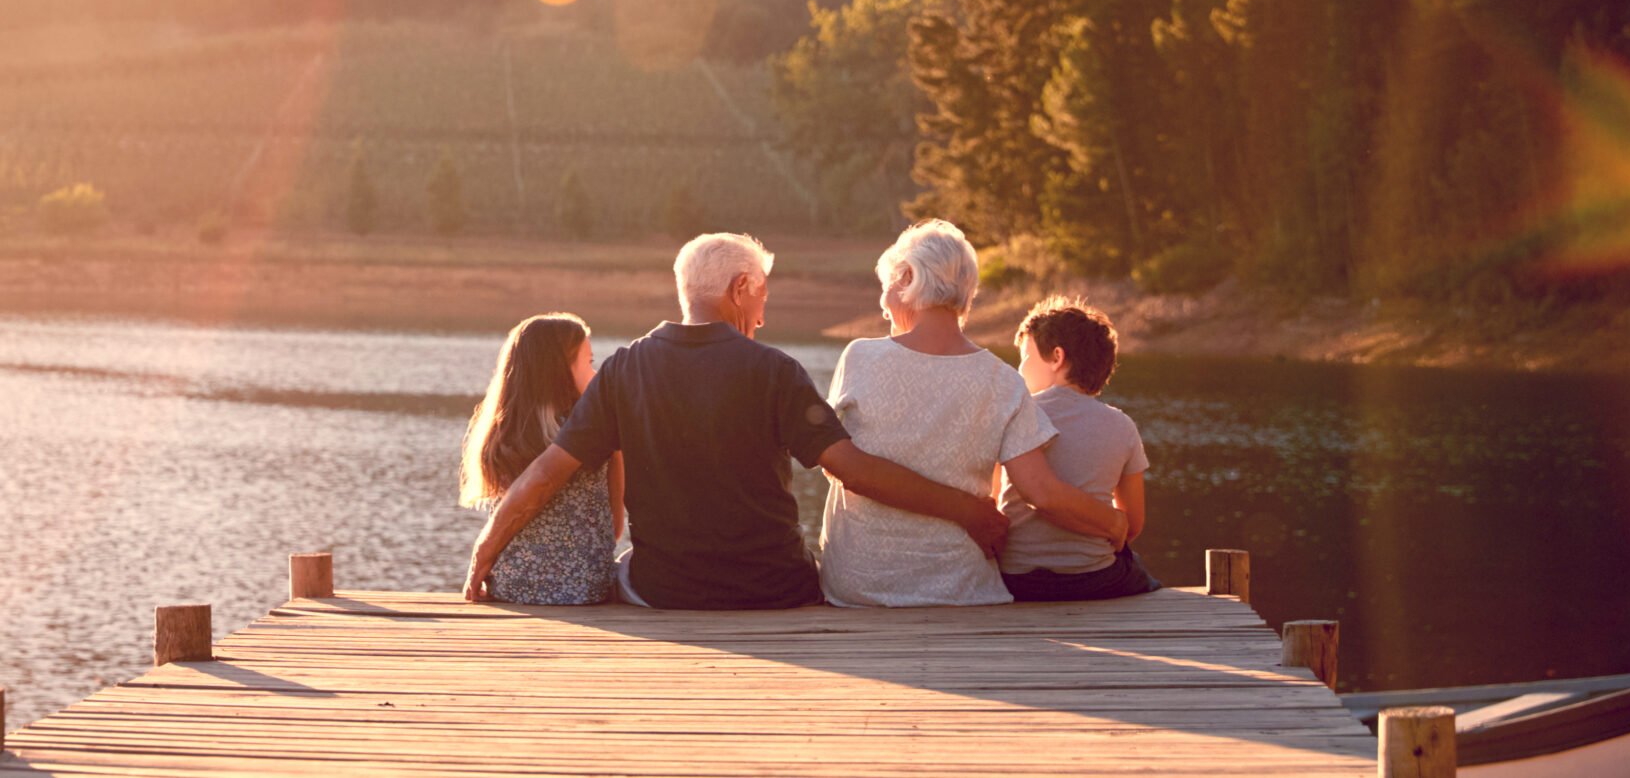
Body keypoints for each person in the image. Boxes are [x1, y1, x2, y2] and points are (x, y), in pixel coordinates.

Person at [464, 231, 1011, 610]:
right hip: (775, 590)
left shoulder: (624, 369)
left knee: (625, 568)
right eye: (762, 296)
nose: (764, 315)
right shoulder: (776, 371)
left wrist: (482, 557)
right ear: (739, 289)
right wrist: (969, 510)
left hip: (664, 593)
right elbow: (853, 469)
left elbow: (542, 476)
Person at [816, 220, 1128, 607]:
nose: (882, 306)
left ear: (909, 278)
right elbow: (1042, 492)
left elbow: (836, 466)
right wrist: (1113, 521)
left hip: (858, 585)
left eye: (886, 288)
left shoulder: (860, 357)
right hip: (958, 587)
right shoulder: (1002, 380)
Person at [997, 295, 1163, 601]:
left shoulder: (1014, 415)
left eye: (1024, 357)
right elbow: (1133, 524)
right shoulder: (1122, 426)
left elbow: (996, 506)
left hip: (1017, 580)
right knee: (1138, 570)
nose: (1019, 368)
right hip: (1093, 579)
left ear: (1057, 357)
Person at [459, 313, 623, 604]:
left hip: (514, 585)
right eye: (589, 363)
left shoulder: (504, 432)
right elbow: (615, 524)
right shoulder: (595, 430)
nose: (596, 375)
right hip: (585, 588)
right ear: (558, 370)